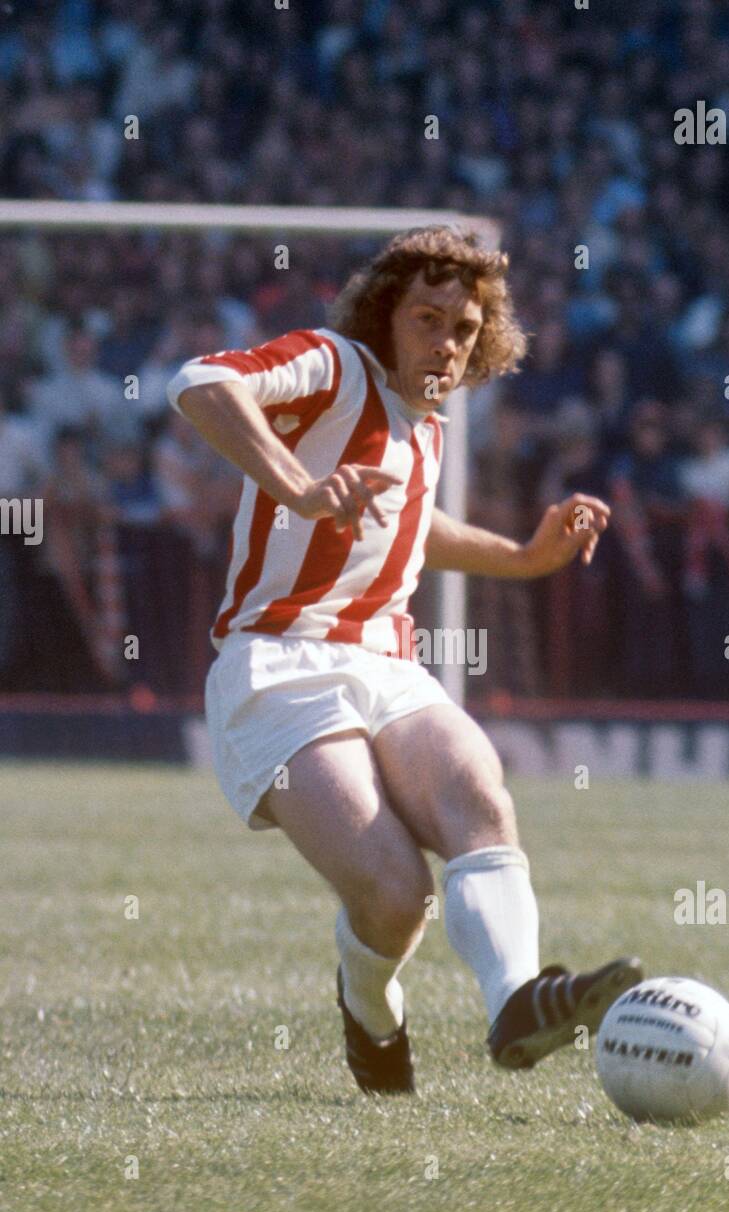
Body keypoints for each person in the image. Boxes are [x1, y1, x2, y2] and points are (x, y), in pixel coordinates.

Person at [167, 226, 642, 1095]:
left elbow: (413, 529)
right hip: (277, 664)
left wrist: (523, 557)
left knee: (475, 786)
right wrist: (297, 485)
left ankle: (518, 1000)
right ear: (386, 316)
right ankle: (368, 1006)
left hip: (386, 663)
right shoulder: (334, 365)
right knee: (395, 895)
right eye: (427, 318)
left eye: (464, 328)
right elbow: (199, 383)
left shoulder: (424, 426)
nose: (447, 342)